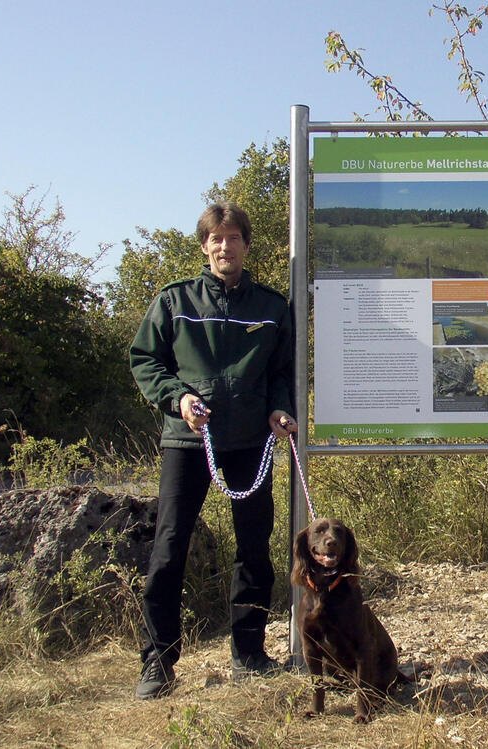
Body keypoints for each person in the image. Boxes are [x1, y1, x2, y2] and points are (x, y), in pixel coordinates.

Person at [129, 201, 297, 699]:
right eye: (215, 239)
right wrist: (177, 398)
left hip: (251, 442)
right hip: (188, 441)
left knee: (254, 548)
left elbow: (281, 374)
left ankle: (249, 653)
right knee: (169, 548)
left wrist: (279, 409)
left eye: (233, 238)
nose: (225, 247)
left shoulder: (271, 308)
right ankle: (157, 663)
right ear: (205, 246)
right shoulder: (174, 300)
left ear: (247, 244)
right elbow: (144, 359)